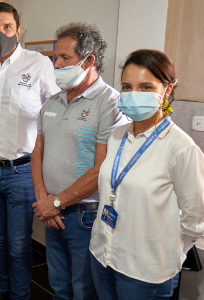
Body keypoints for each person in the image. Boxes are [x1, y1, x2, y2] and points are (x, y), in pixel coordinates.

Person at [90, 49, 204, 300]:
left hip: (145, 272)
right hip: (103, 255)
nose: (133, 95)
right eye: (127, 86)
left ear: (166, 90)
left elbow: (196, 217)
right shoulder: (117, 136)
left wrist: (170, 252)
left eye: (145, 87)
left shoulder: (181, 148)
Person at [0, 2, 60, 299]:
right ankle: (1, 289)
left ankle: (19, 295)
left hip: (22, 171)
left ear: (19, 30)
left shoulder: (38, 64)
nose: (0, 32)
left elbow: (55, 113)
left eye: (7, 27)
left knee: (19, 244)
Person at [31, 22, 125, 300]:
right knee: (58, 286)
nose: (56, 64)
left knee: (84, 290)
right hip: (51, 212)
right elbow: (37, 151)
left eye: (64, 58)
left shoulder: (109, 103)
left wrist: (55, 203)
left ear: (89, 60)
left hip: (85, 215)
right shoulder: (51, 103)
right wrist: (43, 199)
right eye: (54, 58)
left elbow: (102, 168)